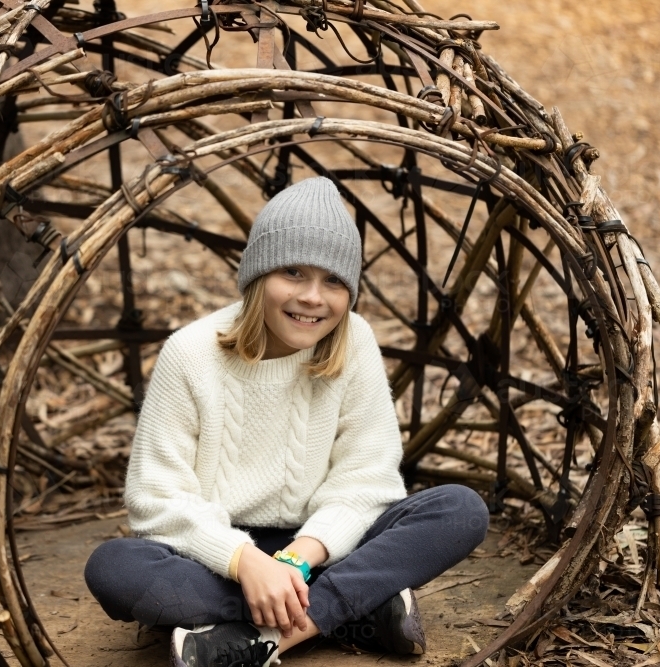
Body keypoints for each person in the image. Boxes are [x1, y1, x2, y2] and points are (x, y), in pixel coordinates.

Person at [84, 177, 489, 667]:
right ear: (258, 275)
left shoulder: (354, 342)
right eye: (293, 272)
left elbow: (367, 479)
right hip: (220, 556)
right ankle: (360, 607)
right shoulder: (190, 355)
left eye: (334, 280)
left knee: (459, 509)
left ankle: (265, 636)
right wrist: (247, 563)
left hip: (323, 547)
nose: (313, 297)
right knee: (113, 568)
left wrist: (298, 559)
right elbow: (156, 500)